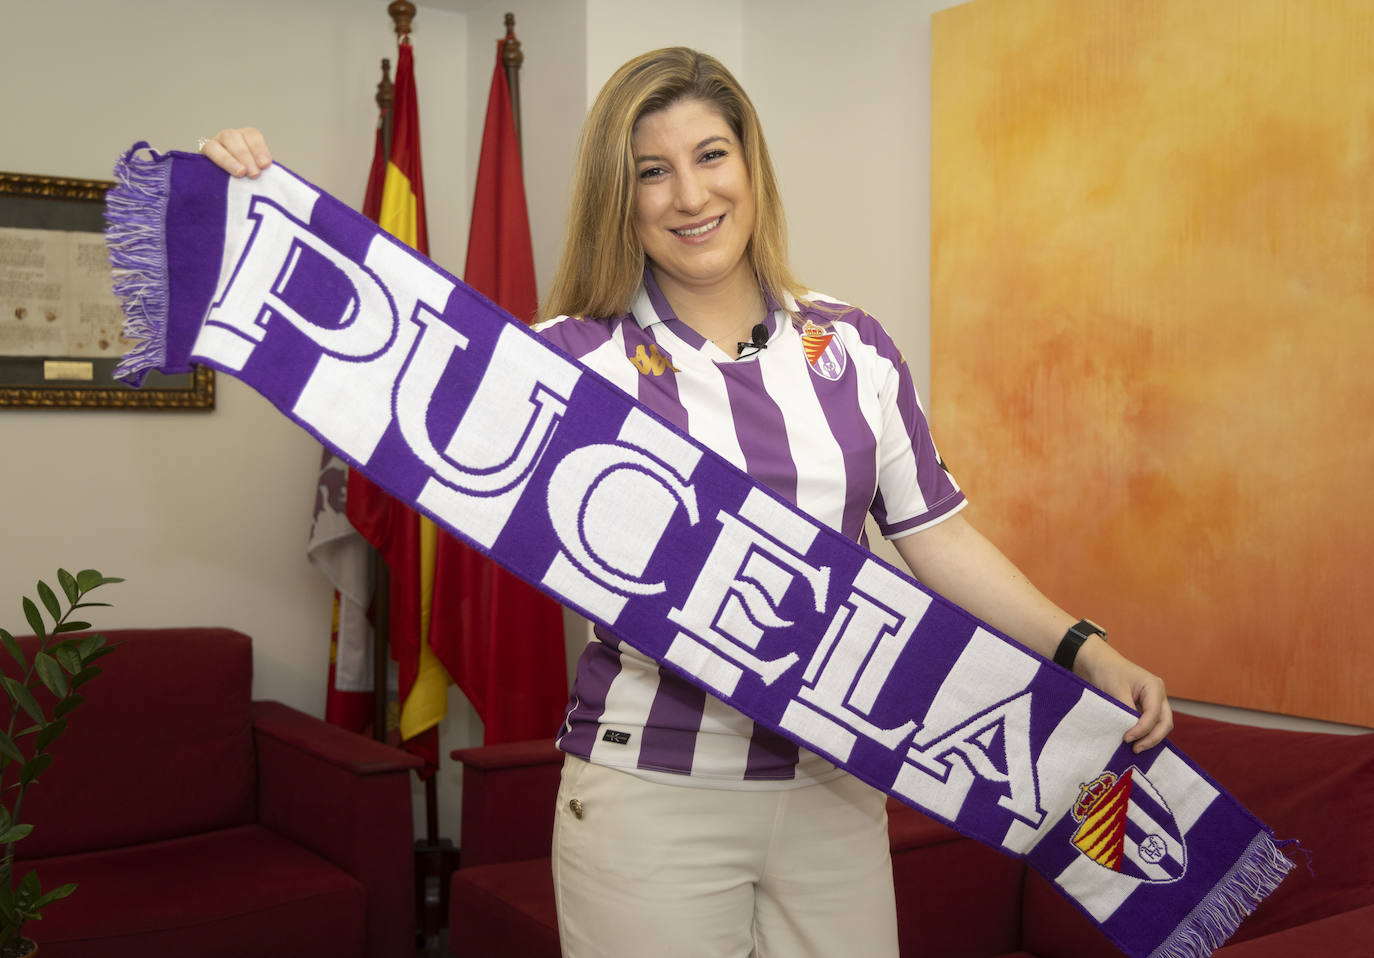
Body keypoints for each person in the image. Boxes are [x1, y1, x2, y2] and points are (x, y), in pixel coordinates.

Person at [203, 46, 1171, 958]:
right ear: (620, 199)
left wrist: (1084, 646)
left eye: (712, 155)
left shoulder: (854, 346)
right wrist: (246, 217)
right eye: (653, 171)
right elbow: (387, 374)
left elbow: (940, 537)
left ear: (751, 166)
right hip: (649, 797)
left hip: (838, 789)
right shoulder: (572, 363)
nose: (691, 193)